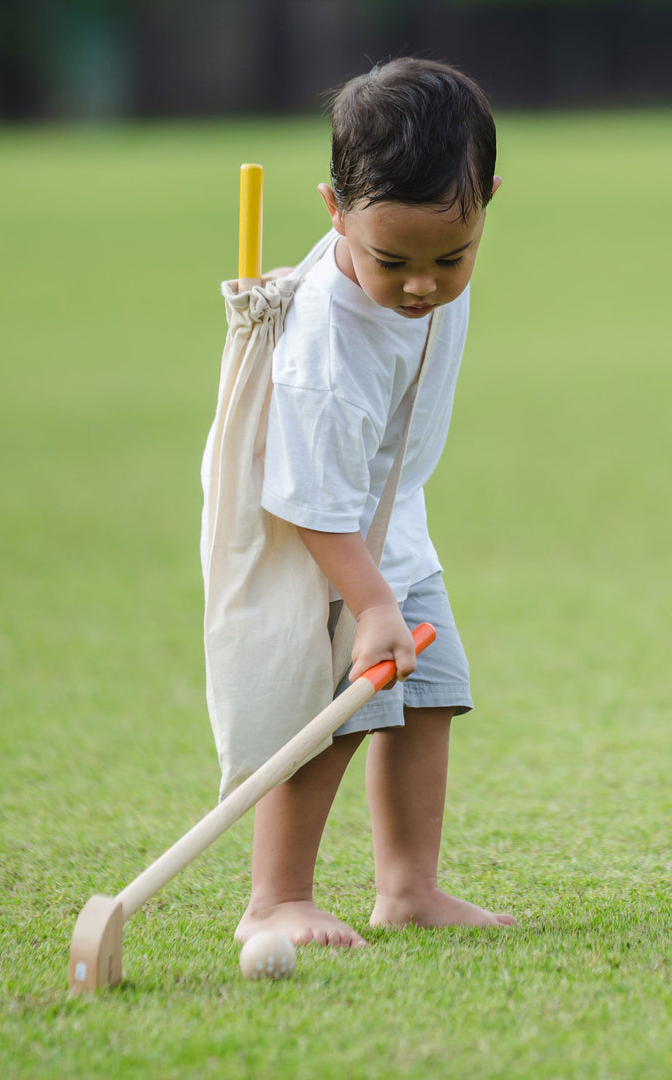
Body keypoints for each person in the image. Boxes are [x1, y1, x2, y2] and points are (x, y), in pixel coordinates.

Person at [235, 57, 518, 947]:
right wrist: (371, 604)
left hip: (392, 517)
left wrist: (389, 589)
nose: (423, 284)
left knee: (429, 696)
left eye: (451, 257)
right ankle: (276, 899)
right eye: (391, 260)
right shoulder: (330, 350)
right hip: (327, 538)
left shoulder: (416, 252)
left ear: (487, 205)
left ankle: (407, 887)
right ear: (334, 213)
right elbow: (307, 501)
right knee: (332, 717)